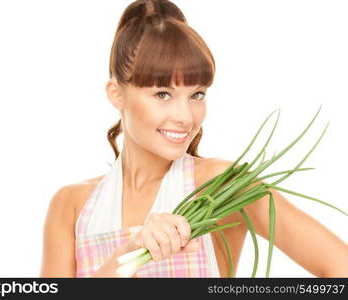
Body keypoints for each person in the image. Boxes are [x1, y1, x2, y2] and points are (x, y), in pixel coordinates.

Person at [40, 0, 348, 278]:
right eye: (163, 94)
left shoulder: (221, 187)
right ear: (116, 94)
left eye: (197, 94)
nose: (186, 117)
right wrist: (121, 263)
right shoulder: (72, 206)